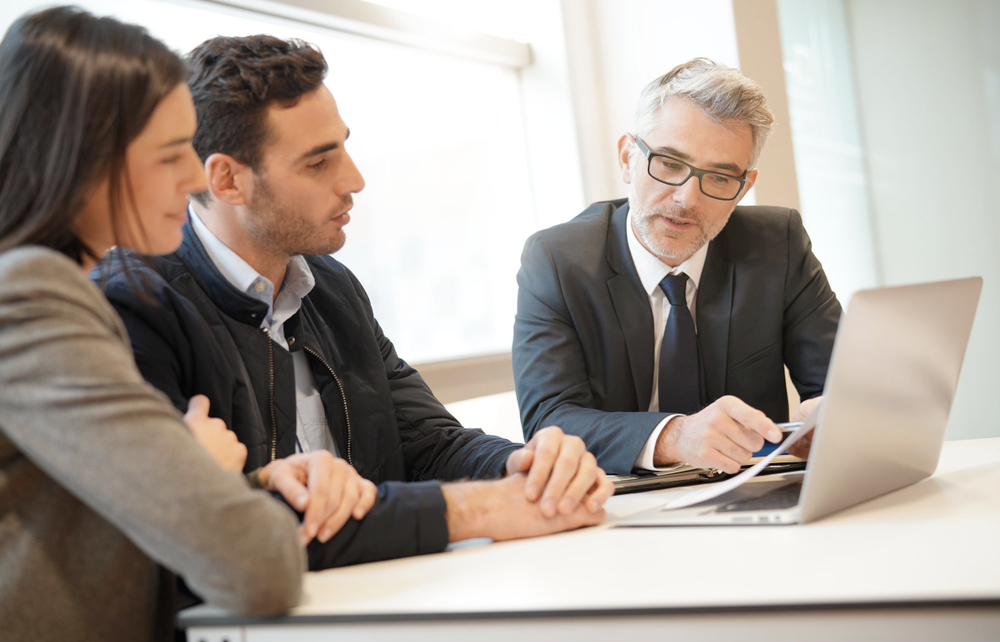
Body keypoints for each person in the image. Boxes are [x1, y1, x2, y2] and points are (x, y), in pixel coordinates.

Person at [99, 34, 614, 571]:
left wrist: (526, 468)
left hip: (378, 598)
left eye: (343, 147)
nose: (355, 180)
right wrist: (480, 509)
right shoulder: (133, 306)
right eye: (319, 163)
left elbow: (429, 444)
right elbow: (225, 530)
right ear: (227, 179)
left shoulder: (330, 286)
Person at [0, 8, 336, 642]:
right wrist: (208, 470)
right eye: (168, 154)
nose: (192, 180)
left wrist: (222, 475)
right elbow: (255, 567)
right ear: (83, 158)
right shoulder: (35, 295)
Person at [513, 58, 841, 477]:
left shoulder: (779, 244)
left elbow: (842, 385)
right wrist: (675, 435)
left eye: (720, 178)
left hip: (754, 494)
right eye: (669, 164)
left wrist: (831, 417)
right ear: (628, 157)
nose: (687, 199)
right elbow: (548, 422)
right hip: (617, 508)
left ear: (745, 187)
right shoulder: (556, 260)